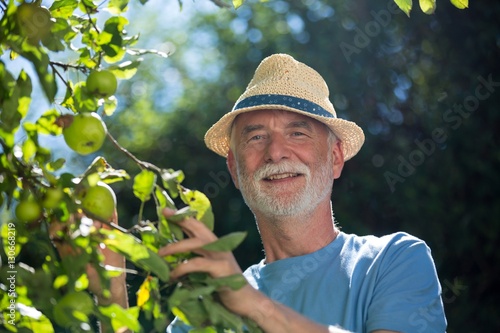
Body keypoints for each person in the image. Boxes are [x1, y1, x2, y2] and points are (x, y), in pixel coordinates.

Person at [159, 53, 447, 333]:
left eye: (298, 133)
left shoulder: (394, 260)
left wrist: (257, 307)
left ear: (335, 157)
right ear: (234, 169)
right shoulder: (209, 304)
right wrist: (113, 273)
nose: (275, 152)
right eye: (256, 137)